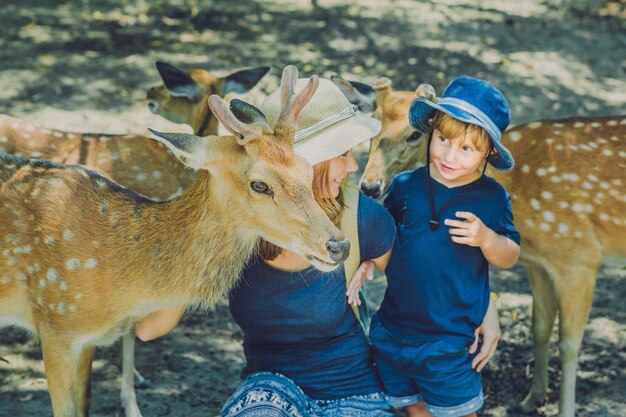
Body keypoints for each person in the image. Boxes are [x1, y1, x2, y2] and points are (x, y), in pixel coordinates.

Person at [134, 76, 503, 417]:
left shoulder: (362, 217)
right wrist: (194, 244)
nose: (353, 165)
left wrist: (485, 306)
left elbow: (425, 283)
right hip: (271, 386)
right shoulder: (239, 224)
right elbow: (149, 330)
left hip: (354, 387)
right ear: (302, 163)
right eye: (342, 153)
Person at [349, 76, 521, 417]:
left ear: (488, 152)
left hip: (448, 340)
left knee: (457, 411)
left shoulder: (491, 197)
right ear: (431, 132)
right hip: (394, 331)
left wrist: (488, 239)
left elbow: (510, 256)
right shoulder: (405, 186)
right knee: (413, 406)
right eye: (442, 140)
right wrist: (367, 260)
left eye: (466, 149)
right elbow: (386, 235)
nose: (449, 155)